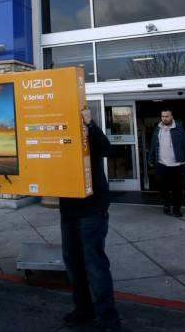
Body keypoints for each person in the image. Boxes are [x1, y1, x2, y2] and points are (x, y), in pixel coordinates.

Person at [60, 108, 121, 332]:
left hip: (92, 210)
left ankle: (108, 321)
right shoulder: (58, 137)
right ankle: (83, 310)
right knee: (73, 265)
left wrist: (91, 125)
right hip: (68, 210)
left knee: (95, 266)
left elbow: (107, 149)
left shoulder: (88, 132)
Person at [149, 109, 185, 217]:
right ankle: (167, 204)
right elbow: (153, 145)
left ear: (172, 116)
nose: (164, 118)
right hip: (161, 163)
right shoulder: (157, 129)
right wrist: (150, 157)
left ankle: (177, 208)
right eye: (162, 116)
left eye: (167, 116)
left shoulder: (179, 129)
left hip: (176, 164)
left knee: (177, 188)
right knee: (161, 186)